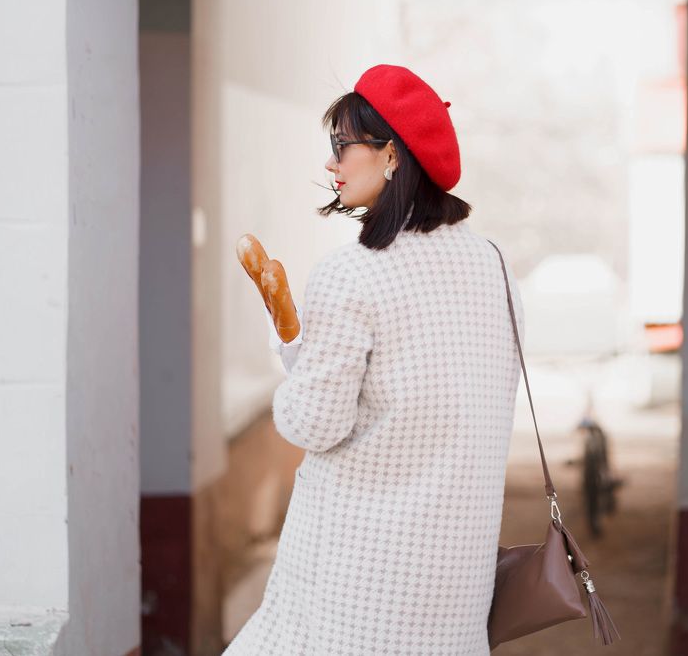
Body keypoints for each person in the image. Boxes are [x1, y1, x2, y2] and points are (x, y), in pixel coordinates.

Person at [223, 64, 525, 655]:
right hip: (455, 579)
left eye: (342, 146)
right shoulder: (494, 265)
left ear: (391, 154)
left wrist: (292, 355)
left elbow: (316, 423)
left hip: (357, 581)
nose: (330, 163)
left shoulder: (350, 273)